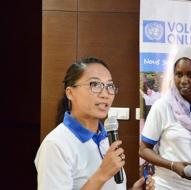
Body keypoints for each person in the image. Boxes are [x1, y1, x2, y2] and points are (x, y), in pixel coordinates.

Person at [35, 57, 154, 190]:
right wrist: (102, 174)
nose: (105, 94)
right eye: (95, 85)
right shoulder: (55, 145)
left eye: (110, 86)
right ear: (70, 93)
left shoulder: (106, 138)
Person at [139, 47, 191, 190]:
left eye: (190, 74)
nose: (183, 81)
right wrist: (173, 166)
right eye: (178, 74)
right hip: (168, 186)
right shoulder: (162, 106)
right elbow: (143, 150)